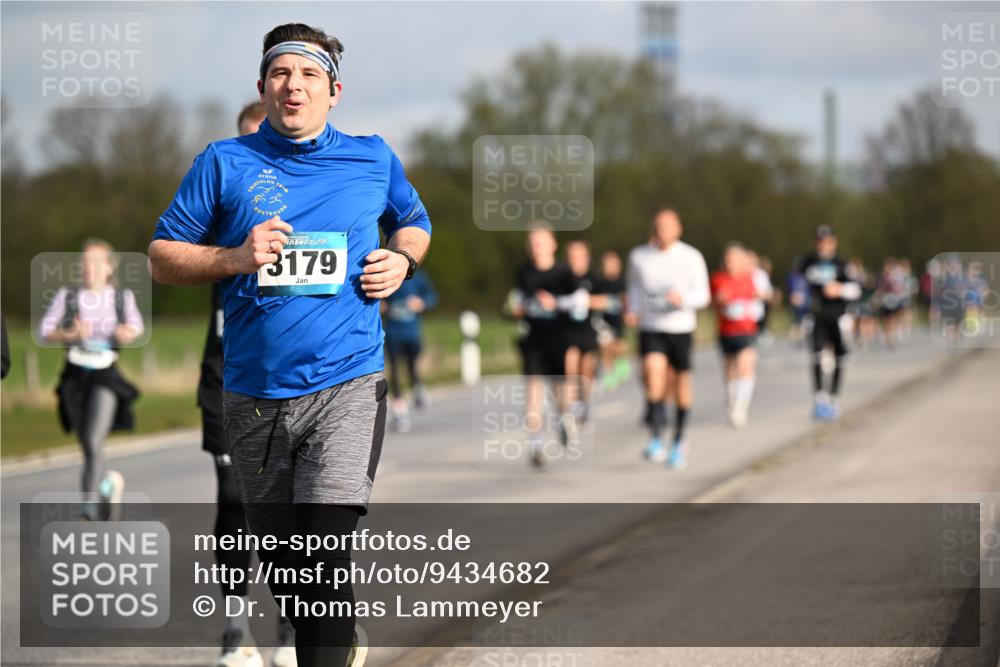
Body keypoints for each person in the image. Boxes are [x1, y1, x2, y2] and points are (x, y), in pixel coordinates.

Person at [150, 23, 431, 667]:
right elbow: (162, 256)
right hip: (252, 394)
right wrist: (232, 257)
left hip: (348, 382)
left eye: (308, 75)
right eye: (281, 74)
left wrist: (402, 261)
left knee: (325, 547)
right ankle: (336, 638)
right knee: (291, 573)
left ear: (334, 91)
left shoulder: (372, 157)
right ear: (262, 87)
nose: (293, 86)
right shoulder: (223, 162)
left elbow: (414, 220)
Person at [197, 102, 295, 667]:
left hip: (289, 377)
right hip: (225, 377)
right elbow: (171, 249)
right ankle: (235, 628)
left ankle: (288, 620)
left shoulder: (307, 198)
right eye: (245, 143)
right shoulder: (218, 196)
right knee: (234, 501)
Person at [39, 239, 143, 520]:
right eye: (84, 262)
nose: (89, 268)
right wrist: (69, 335)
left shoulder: (121, 298)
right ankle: (107, 484)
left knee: (94, 437)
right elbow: (44, 332)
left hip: (106, 373)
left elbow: (136, 328)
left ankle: (90, 505)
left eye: (96, 262)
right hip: (75, 374)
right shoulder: (68, 296)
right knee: (86, 441)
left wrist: (125, 334)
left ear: (109, 267)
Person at [626, 208, 710, 469]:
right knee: (653, 373)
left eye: (668, 225)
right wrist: (633, 310)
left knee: (682, 386)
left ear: (678, 229)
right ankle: (656, 435)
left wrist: (682, 299)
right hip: (652, 327)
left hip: (680, 328)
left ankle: (679, 439)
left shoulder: (690, 256)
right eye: (659, 225)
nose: (663, 230)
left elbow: (703, 295)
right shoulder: (639, 256)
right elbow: (635, 288)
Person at [507, 223, 576, 469]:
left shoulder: (564, 272)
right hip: (533, 340)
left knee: (560, 393)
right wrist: (518, 309)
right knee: (533, 393)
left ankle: (563, 418)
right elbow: (516, 300)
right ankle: (536, 445)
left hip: (559, 338)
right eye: (532, 243)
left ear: (552, 244)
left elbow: (579, 303)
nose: (536, 247)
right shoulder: (523, 272)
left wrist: (555, 303)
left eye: (540, 242)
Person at [796, 225, 860, 422]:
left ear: (834, 242)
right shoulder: (806, 262)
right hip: (816, 316)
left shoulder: (842, 264)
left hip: (838, 316)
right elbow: (795, 282)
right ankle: (819, 399)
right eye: (819, 241)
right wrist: (797, 296)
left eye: (827, 241)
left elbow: (856, 289)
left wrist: (839, 289)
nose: (823, 245)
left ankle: (834, 399)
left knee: (840, 358)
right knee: (816, 356)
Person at [710, 244, 761, 428]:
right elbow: (712, 302)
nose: (729, 262)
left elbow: (760, 296)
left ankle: (741, 408)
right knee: (730, 369)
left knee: (746, 367)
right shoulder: (718, 279)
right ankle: (732, 400)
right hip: (726, 330)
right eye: (727, 259)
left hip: (746, 329)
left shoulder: (749, 279)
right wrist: (719, 300)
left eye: (733, 259)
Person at [382, 268, 438, 432]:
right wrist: (380, 305)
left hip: (412, 334)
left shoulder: (419, 277)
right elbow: (376, 298)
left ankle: (418, 387)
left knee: (412, 367)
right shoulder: (387, 275)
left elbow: (432, 297)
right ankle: (400, 414)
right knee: (394, 373)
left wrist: (422, 302)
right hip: (392, 333)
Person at [562, 240, 600, 424]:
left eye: (578, 256)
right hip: (568, 330)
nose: (575, 260)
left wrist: (588, 301)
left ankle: (584, 400)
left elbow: (608, 300)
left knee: (585, 368)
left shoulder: (594, 278)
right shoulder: (562, 277)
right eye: (571, 256)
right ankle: (573, 404)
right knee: (570, 365)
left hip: (588, 329)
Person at [592, 251, 630, 391]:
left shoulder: (623, 282)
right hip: (603, 322)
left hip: (618, 320)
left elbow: (628, 300)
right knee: (605, 347)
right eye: (607, 265)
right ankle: (608, 375)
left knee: (619, 347)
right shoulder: (598, 283)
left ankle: (621, 362)